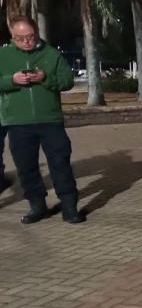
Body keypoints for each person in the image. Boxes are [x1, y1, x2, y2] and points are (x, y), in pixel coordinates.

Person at [0, 15, 84, 224]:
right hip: (18, 122)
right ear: (12, 35)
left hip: (50, 121)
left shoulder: (51, 54)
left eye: (29, 36)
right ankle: (37, 206)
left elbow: (67, 81)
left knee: (60, 163)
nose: (26, 41)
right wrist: (12, 80)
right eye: (20, 38)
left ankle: (69, 207)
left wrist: (45, 78)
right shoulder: (3, 55)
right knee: (26, 167)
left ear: (36, 32)